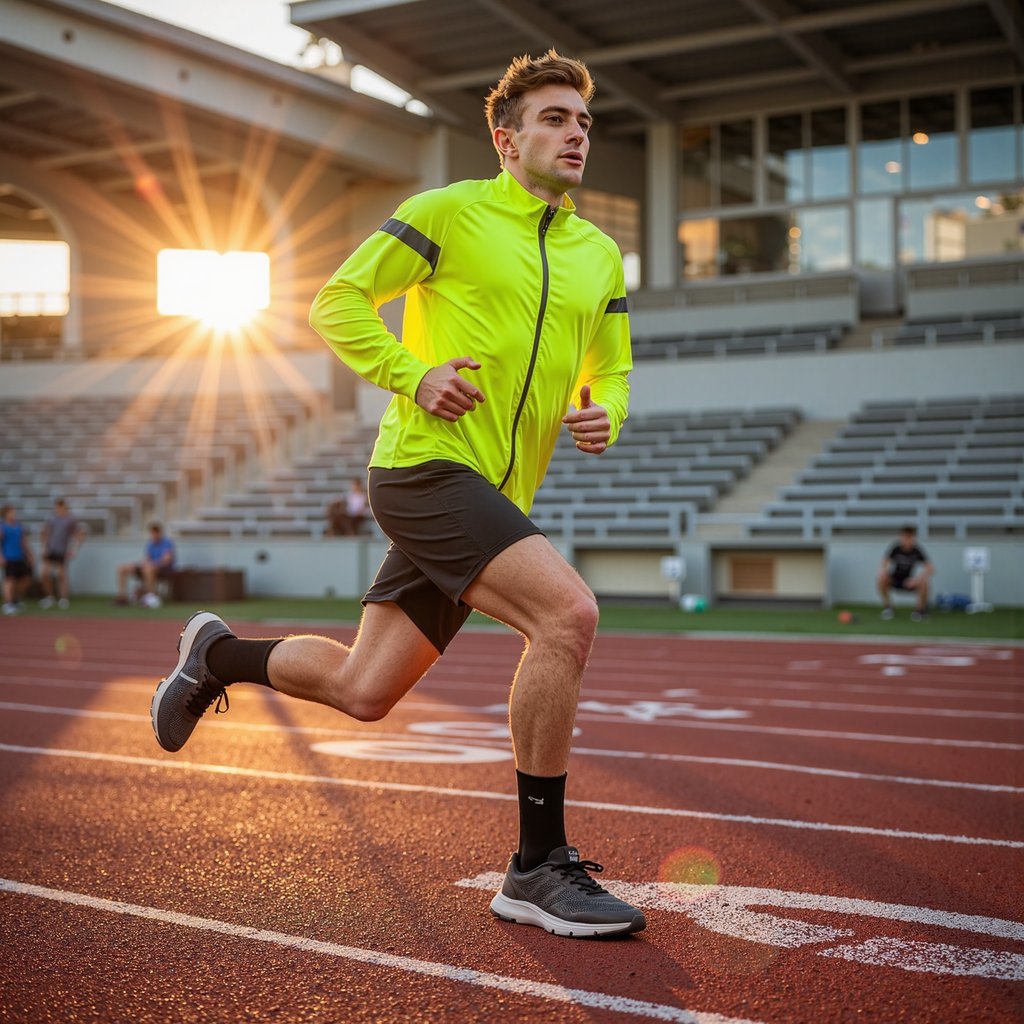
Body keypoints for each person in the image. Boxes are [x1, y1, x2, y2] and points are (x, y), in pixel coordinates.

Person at [150, 51, 644, 937]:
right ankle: (536, 866)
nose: (576, 134)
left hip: (495, 493)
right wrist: (413, 376)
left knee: (365, 689)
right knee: (566, 616)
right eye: (555, 119)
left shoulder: (601, 254)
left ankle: (216, 655)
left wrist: (603, 410)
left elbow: (613, 368)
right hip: (424, 470)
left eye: (583, 122)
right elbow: (337, 301)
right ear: (507, 138)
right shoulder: (447, 212)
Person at [877, 524, 933, 621]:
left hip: (908, 580)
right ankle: (888, 608)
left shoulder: (916, 550)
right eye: (903, 537)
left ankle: (919, 610)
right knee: (881, 579)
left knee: (924, 582)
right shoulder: (896, 548)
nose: (905, 540)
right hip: (895, 579)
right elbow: (885, 562)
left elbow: (930, 568)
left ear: (913, 538)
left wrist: (917, 579)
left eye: (908, 537)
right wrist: (883, 571)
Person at [38, 498, 86, 609]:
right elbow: (44, 532)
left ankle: (63, 598)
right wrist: (44, 547)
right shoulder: (51, 518)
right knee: (45, 574)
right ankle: (49, 597)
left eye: (61, 507)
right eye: (57, 507)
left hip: (62, 550)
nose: (59, 510)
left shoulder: (70, 519)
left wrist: (74, 550)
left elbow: (79, 534)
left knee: (62, 575)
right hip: (50, 549)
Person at [115, 522, 176, 606]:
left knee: (149, 569)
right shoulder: (150, 544)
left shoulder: (166, 542)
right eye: (152, 533)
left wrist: (152, 564)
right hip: (149, 566)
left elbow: (166, 560)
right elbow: (147, 558)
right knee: (122, 568)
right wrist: (140, 564)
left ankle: (150, 597)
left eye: (156, 532)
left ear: (159, 533)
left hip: (164, 569)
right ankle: (122, 596)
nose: (154, 535)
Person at [1, 505, 34, 615]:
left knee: (25, 579)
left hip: (19, 557)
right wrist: (1, 557)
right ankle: (8, 604)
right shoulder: (3, 527)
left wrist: (29, 555)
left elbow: (23, 542)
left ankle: (16, 600)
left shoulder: (19, 527)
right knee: (9, 580)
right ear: (6, 514)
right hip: (8, 557)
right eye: (11, 512)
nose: (14, 514)